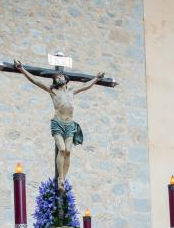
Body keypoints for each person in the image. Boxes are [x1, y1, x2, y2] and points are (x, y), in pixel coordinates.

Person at [13, 59, 105, 192]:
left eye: (60, 76)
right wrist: (22, 69)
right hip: (58, 123)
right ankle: (60, 179)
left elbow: (86, 86)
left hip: (70, 124)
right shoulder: (53, 92)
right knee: (61, 149)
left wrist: (96, 78)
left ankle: (63, 178)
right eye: (56, 77)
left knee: (68, 151)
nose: (58, 78)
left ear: (66, 79)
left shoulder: (72, 91)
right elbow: (36, 81)